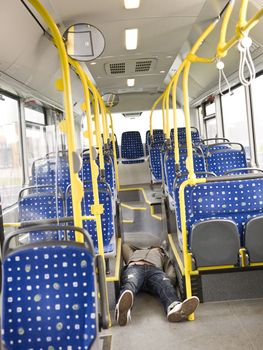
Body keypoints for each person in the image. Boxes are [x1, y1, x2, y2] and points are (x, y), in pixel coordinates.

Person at [115, 243, 199, 326]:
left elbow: (169, 268)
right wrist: (142, 248)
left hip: (154, 271)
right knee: (131, 283)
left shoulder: (163, 255)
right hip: (135, 267)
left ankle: (174, 308)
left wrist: (167, 280)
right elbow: (125, 246)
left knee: (165, 286)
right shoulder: (134, 253)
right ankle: (123, 310)